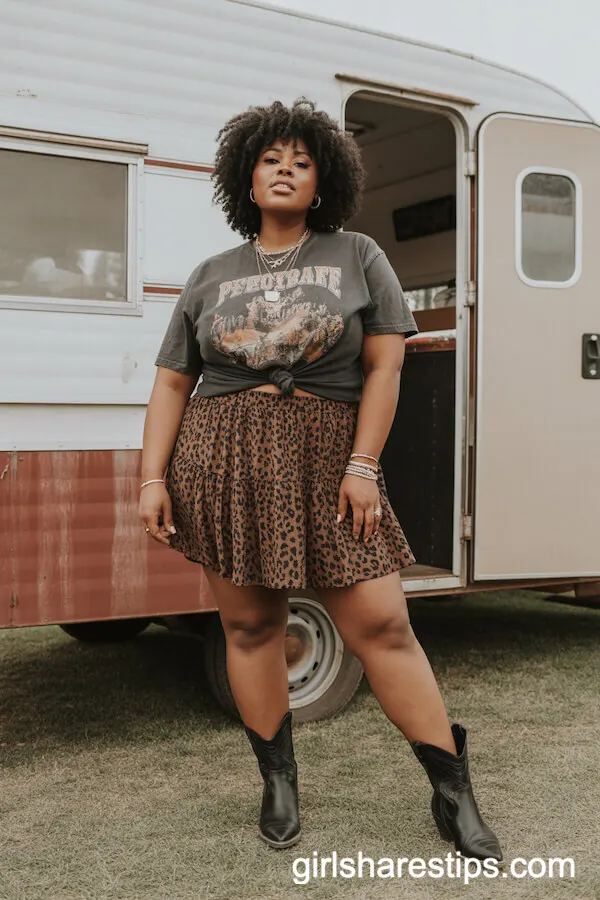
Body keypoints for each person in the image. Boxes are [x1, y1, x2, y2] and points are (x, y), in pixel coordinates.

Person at [139, 98, 502, 861]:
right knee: (250, 628)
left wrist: (363, 465)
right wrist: (152, 479)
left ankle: (452, 791)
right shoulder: (210, 275)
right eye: (270, 160)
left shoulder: (357, 254)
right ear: (245, 177)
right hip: (225, 463)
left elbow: (386, 367)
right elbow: (173, 382)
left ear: (322, 181)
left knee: (383, 624)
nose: (285, 171)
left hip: (331, 459)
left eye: (301, 162)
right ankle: (278, 782)